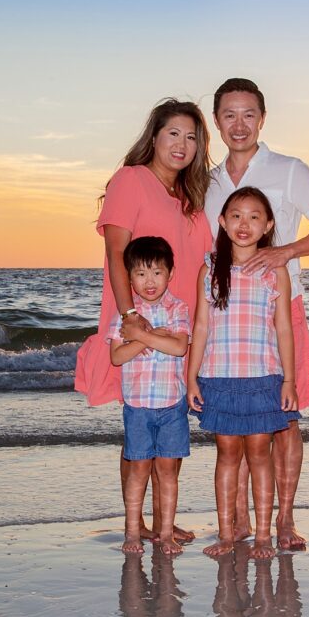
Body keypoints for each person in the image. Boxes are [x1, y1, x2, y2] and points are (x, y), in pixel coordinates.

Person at [204, 78, 309, 550]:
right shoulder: (208, 181)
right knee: (235, 424)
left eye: (248, 114)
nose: (238, 124)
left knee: (284, 416)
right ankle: (240, 522)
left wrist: (284, 251)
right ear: (217, 121)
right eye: (229, 115)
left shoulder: (288, 169)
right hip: (225, 317)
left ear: (262, 119)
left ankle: (284, 519)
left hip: (282, 306)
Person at [76, 98, 213, 544]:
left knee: (168, 423)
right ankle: (140, 525)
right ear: (153, 136)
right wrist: (130, 315)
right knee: (138, 427)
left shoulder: (191, 198)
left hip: (179, 325)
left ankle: (163, 522)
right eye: (173, 133)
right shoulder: (131, 180)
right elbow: (116, 253)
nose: (182, 144)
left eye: (192, 137)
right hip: (137, 319)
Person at [187, 187, 297, 560]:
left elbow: (284, 329)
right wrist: (191, 378)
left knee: (260, 456)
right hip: (219, 379)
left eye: (254, 217)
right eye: (235, 215)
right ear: (222, 221)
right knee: (227, 456)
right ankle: (227, 533)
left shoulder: (275, 272)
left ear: (267, 225)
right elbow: (200, 328)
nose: (244, 223)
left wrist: (290, 381)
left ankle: (264, 536)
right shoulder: (210, 268)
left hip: (264, 379)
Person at [108, 237, 191, 555]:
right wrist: (150, 336)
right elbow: (117, 357)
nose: (150, 281)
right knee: (139, 470)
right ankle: (132, 532)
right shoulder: (126, 316)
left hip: (172, 406)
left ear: (170, 272)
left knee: (168, 471)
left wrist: (141, 337)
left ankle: (166, 532)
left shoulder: (177, 308)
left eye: (157, 272)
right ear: (129, 277)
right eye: (141, 274)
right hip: (138, 407)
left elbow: (179, 346)